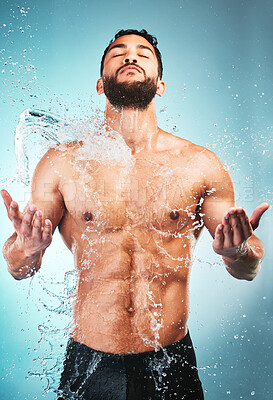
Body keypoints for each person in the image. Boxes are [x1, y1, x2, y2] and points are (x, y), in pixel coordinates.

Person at [1, 29, 268, 400]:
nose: (130, 57)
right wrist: (27, 247)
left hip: (170, 359)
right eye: (118, 53)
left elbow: (248, 268)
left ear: (160, 85)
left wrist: (238, 251)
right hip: (89, 360)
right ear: (100, 84)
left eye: (143, 53)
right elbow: (19, 268)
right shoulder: (63, 162)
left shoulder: (199, 165)